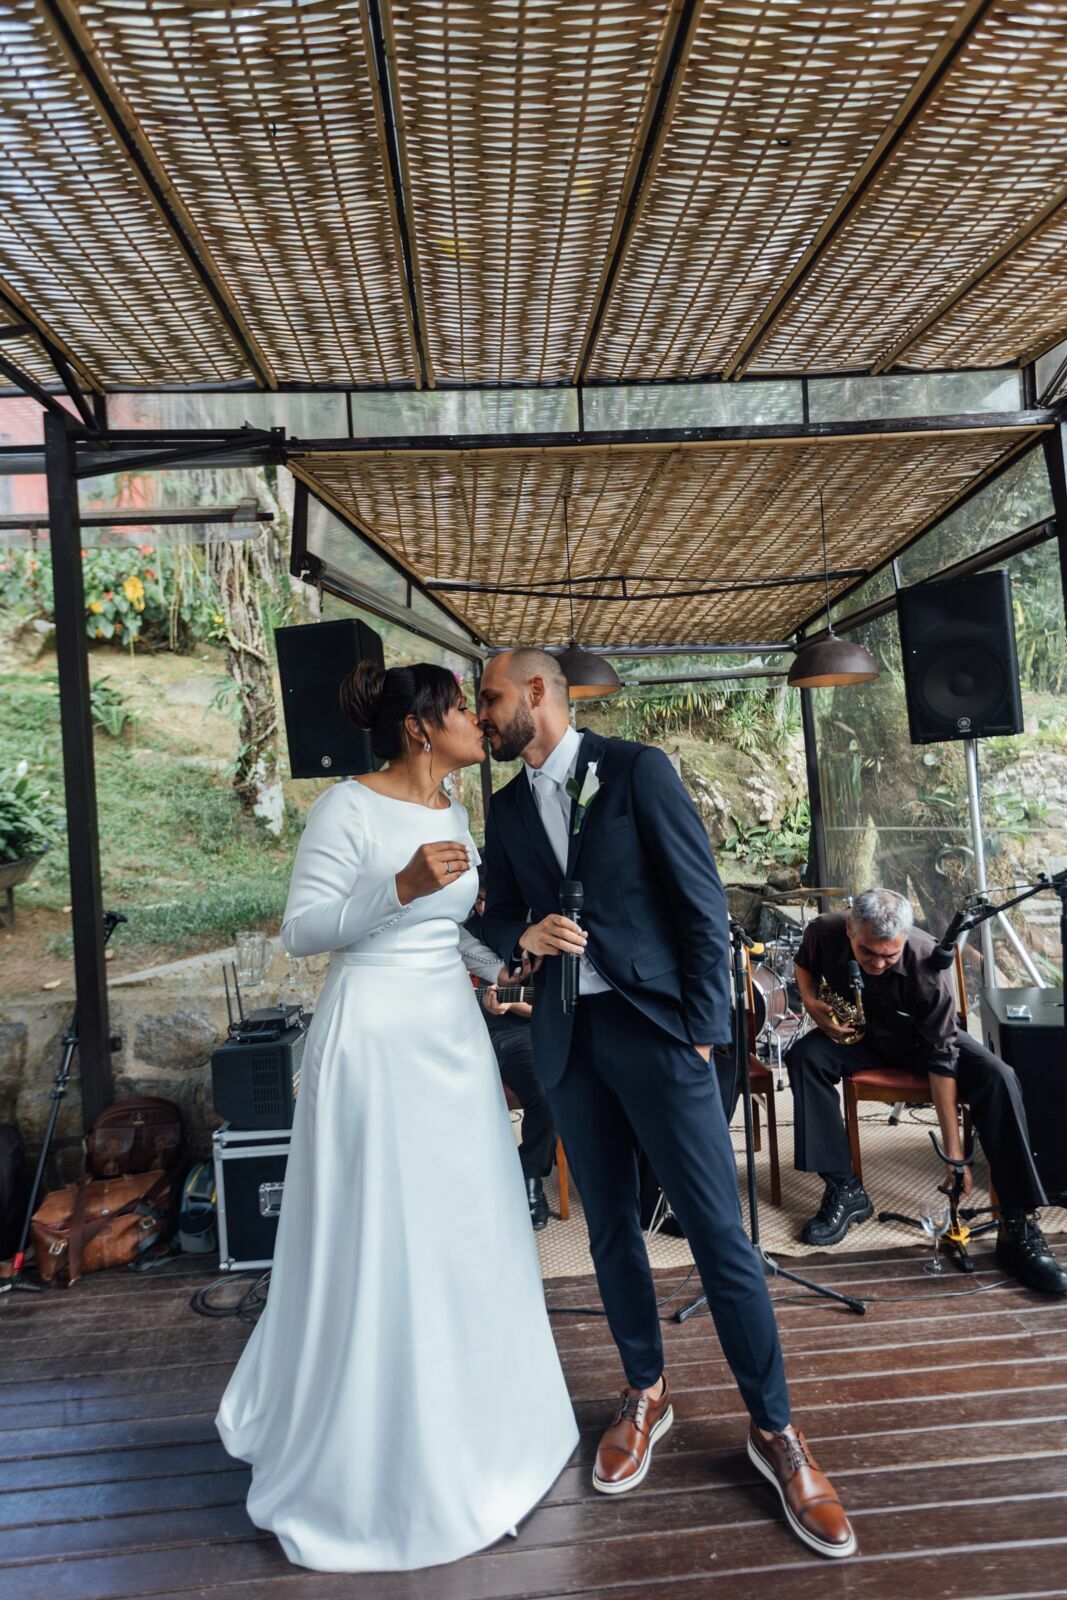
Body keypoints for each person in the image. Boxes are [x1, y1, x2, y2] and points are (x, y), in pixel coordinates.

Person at [478, 648, 856, 1561]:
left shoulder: (637, 771)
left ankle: (777, 1433)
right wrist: (518, 935)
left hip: (660, 1034)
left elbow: (699, 903)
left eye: (488, 698)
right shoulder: (499, 806)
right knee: (608, 1227)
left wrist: (699, 1032)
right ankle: (645, 1391)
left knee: (718, 1233)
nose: (480, 716)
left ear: (537, 694)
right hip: (569, 1041)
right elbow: (493, 917)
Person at [215, 661, 578, 1572]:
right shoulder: (346, 808)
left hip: (449, 1037)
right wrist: (401, 887)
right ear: (420, 727)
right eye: (461, 707)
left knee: (464, 1227)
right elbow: (301, 930)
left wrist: (506, 957)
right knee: (388, 1230)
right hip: (373, 1038)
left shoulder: (457, 807)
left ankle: (485, 1428)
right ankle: (377, 1450)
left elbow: (445, 931)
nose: (473, 719)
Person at [785, 888, 1067, 1295]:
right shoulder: (824, 931)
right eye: (868, 953)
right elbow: (804, 966)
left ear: (905, 939)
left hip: (924, 1043)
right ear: (850, 928)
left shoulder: (927, 960)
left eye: (890, 956)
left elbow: (941, 1060)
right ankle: (845, 1188)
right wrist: (811, 1002)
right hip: (860, 1034)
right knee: (804, 1057)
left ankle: (1017, 1223)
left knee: (999, 1076)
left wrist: (955, 1156)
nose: (879, 964)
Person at [465, 864, 556, 1229]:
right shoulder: (459, 933)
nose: (484, 908)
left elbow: (550, 1004)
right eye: (479, 899)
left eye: (490, 899)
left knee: (549, 1092)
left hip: (521, 1033)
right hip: (466, 1031)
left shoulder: (533, 933)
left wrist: (514, 1004)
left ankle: (529, 1177)